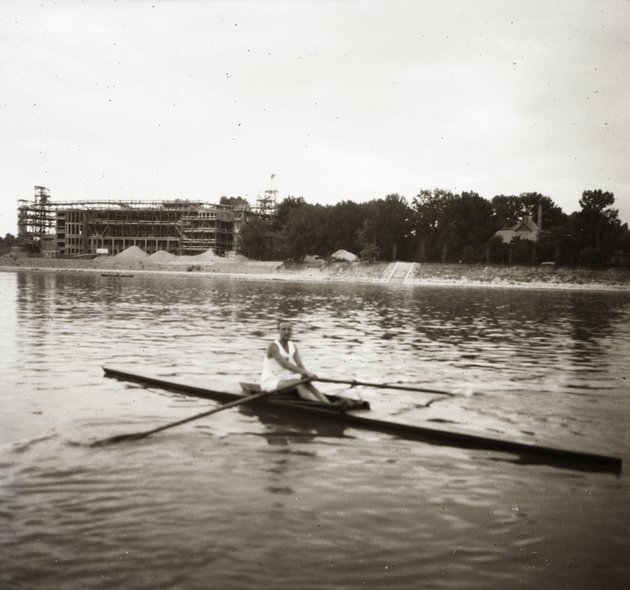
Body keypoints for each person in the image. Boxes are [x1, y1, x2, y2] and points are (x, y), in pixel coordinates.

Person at [260, 319, 331, 403]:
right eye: (283, 329)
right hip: (270, 382)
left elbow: (300, 365)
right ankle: (321, 405)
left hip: (285, 380)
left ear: (291, 331)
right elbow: (287, 365)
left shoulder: (292, 346)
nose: (286, 332)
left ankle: (327, 403)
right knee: (299, 383)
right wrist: (307, 373)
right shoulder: (273, 347)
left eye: (289, 329)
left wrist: (307, 375)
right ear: (278, 331)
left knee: (305, 381)